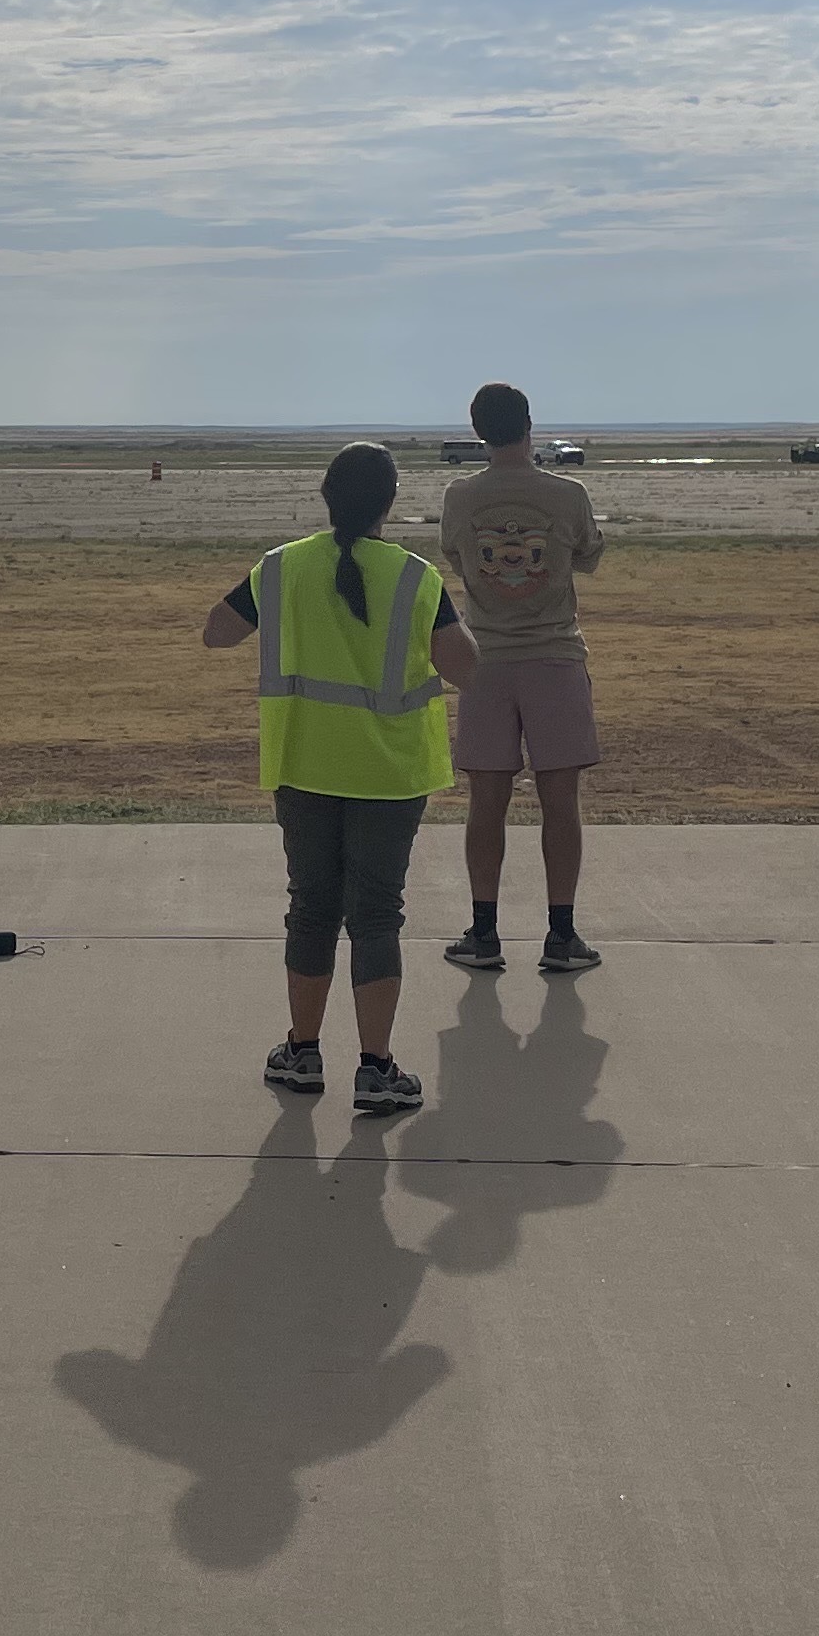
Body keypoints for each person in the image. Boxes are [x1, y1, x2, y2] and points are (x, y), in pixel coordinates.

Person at [203, 442, 476, 1116]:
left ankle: (302, 1051)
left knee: (312, 909)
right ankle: (376, 1067)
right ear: (389, 503)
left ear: (326, 497)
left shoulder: (281, 567)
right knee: (377, 914)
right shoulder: (414, 578)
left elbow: (216, 632)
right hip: (389, 774)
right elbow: (467, 668)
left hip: (304, 765)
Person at [436, 382, 607, 978]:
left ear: (479, 431)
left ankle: (484, 932)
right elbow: (588, 555)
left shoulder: (459, 497)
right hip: (555, 656)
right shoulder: (567, 494)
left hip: (485, 660)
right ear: (530, 425)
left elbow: (458, 558)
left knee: (487, 802)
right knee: (561, 801)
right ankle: (561, 934)